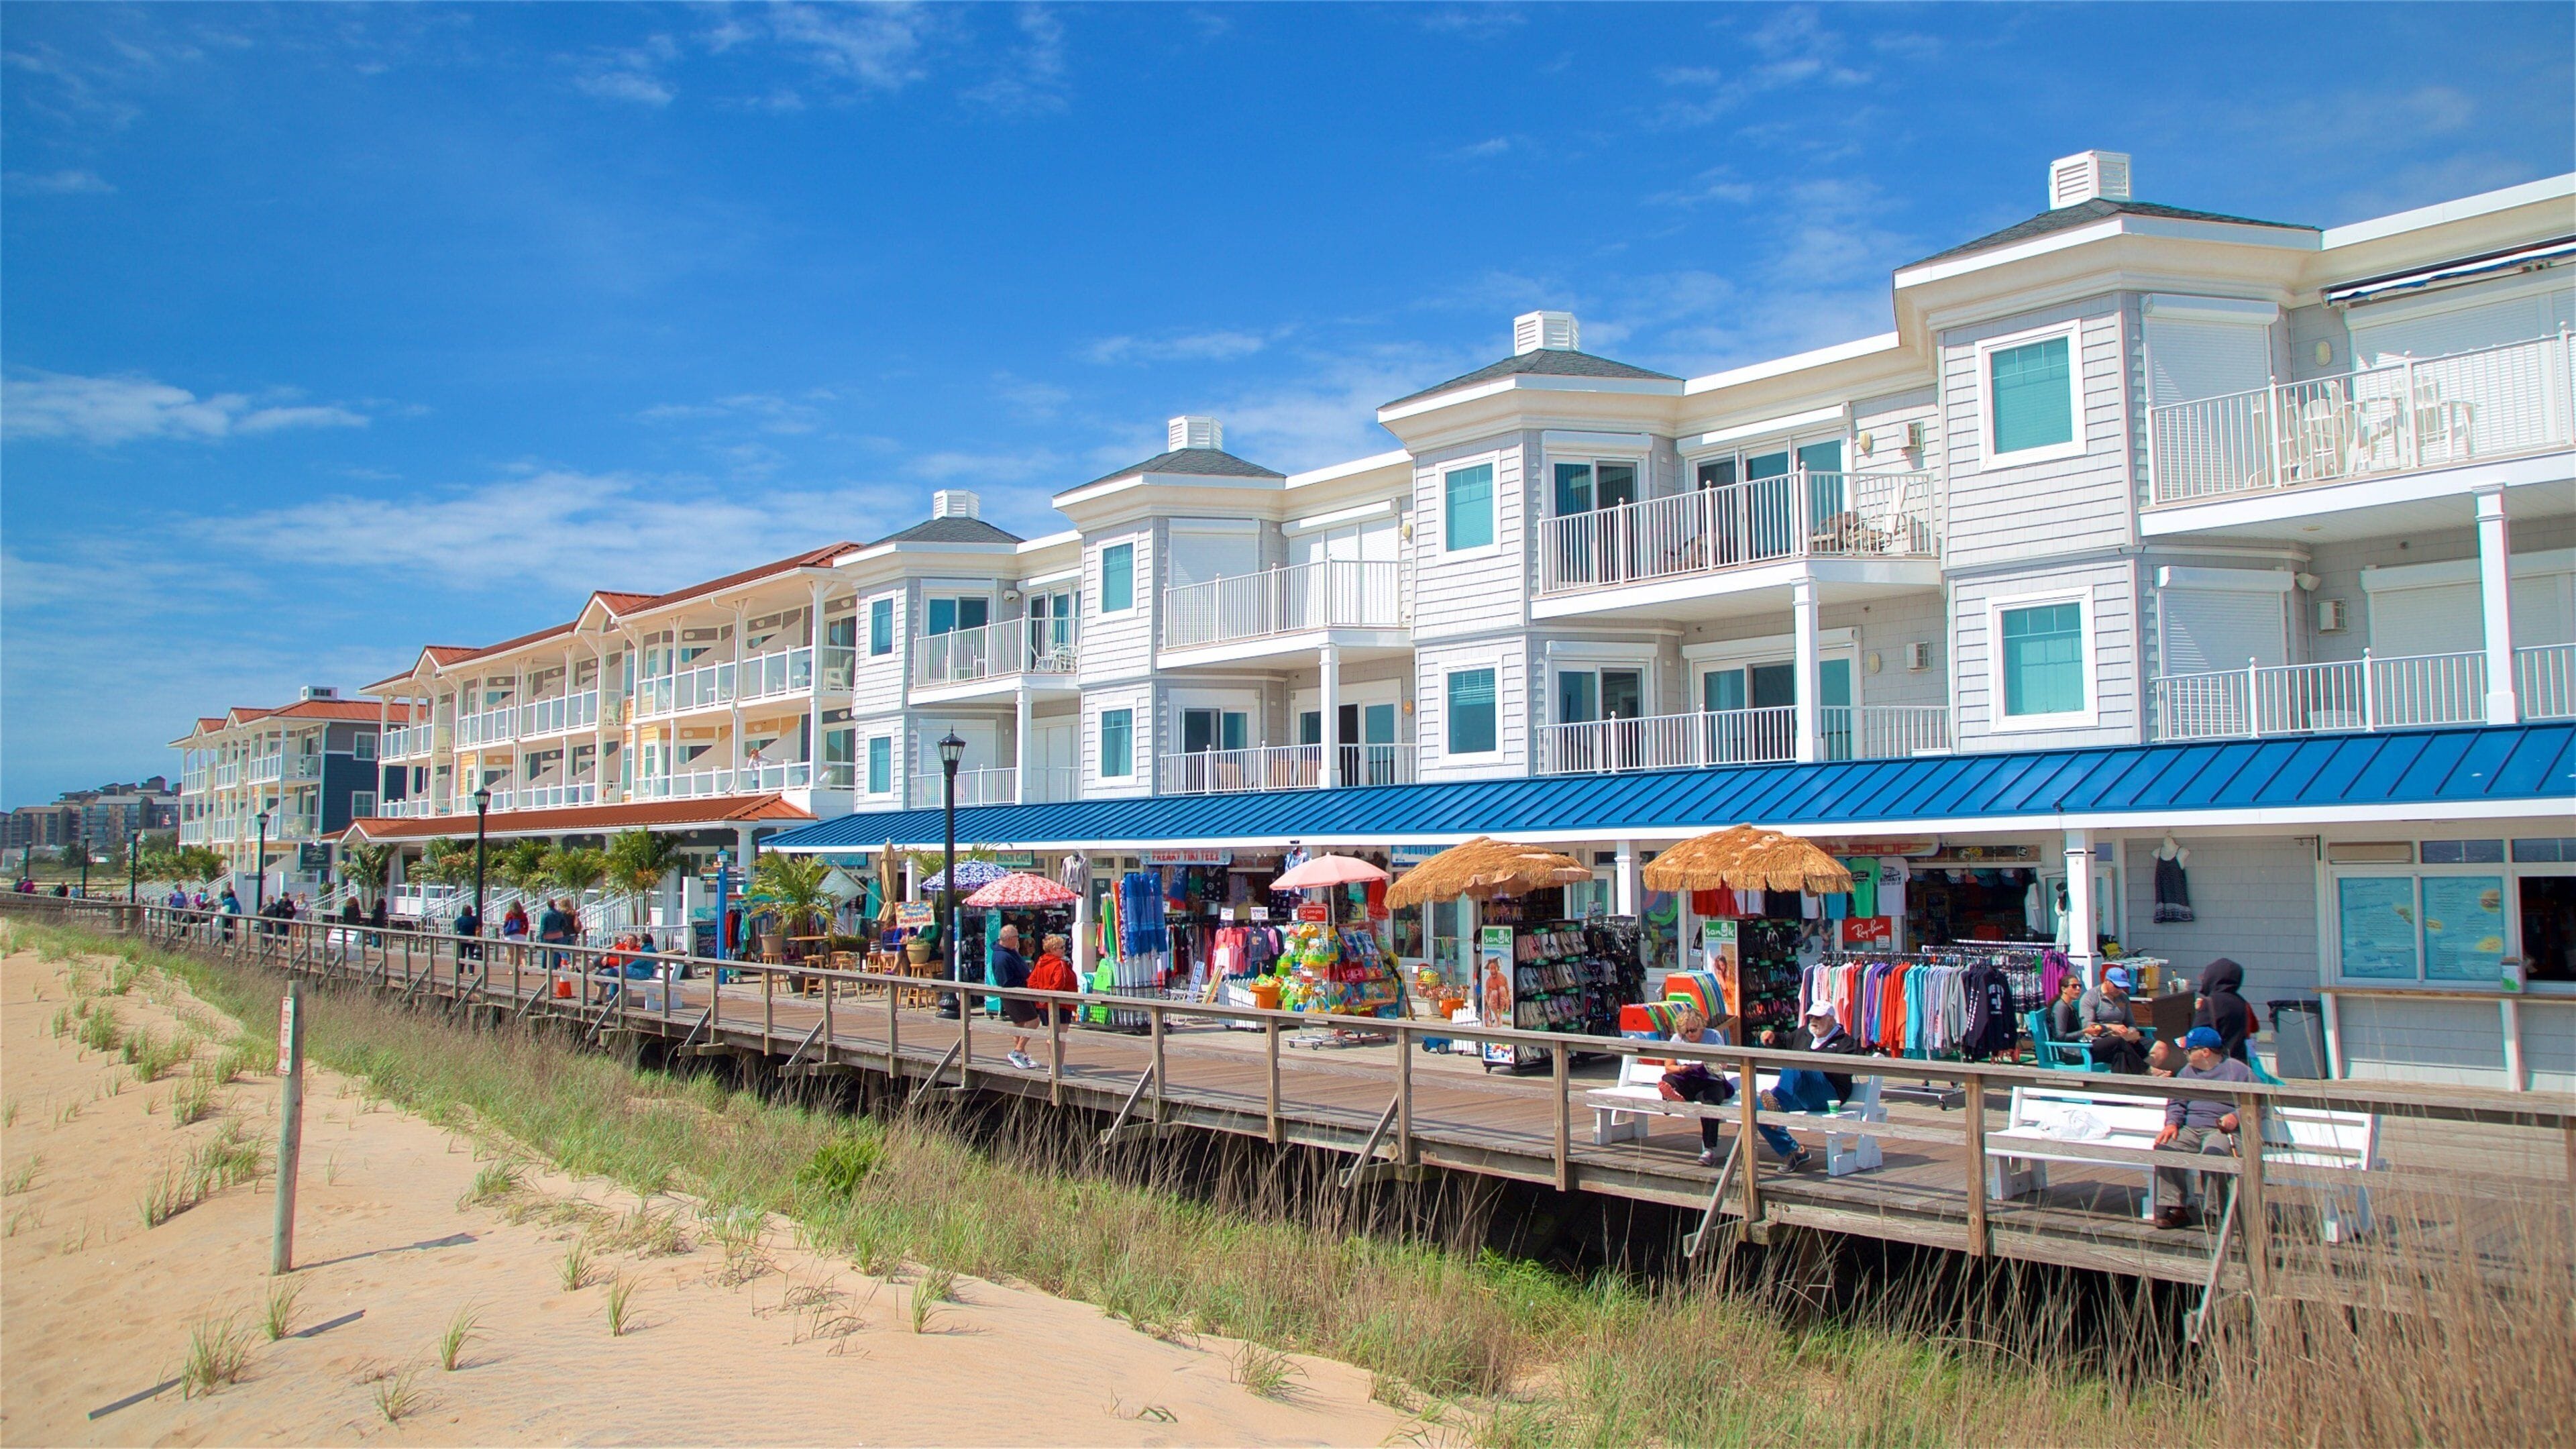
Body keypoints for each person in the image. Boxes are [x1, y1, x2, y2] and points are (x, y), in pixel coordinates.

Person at [2153, 1026, 2255, 1228]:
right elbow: (2176, 1102)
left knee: (2214, 1153)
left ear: (2205, 1052)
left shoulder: (2238, 1070)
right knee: (2165, 1148)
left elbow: (2257, 1103)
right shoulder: (2186, 1073)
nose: (2186, 1055)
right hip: (2191, 1129)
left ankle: (2215, 1213)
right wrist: (2172, 1123)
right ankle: (2175, 1208)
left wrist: (2236, 1116)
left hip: (2221, 1130)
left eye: (2189, 1050)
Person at [1654, 1006, 1741, 1169]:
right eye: (1686, 1032)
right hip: (1688, 1078)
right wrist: (1684, 1068)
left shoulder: (1713, 1036)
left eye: (1693, 1030)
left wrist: (1709, 1062)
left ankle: (1709, 1148)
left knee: (1710, 1102)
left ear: (1701, 1026)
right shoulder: (1676, 1039)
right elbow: (1669, 1067)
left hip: (1710, 1080)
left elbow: (1724, 1063)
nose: (1690, 1034)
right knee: (1668, 1079)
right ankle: (1672, 1097)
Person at [2078, 967, 2149, 1074]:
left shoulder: (2123, 997)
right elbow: (2087, 1026)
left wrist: (2132, 1032)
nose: (2120, 990)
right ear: (2107, 981)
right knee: (2119, 1044)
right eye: (2117, 986)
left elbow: (2131, 1022)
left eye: (2123, 987)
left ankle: (2142, 1077)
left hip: (2123, 1038)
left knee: (2160, 1048)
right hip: (2100, 1040)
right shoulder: (2090, 997)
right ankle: (2146, 1071)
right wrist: (2111, 1027)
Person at [990, 924, 1040, 1069]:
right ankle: (1017, 1051)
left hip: (1021, 991)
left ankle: (1022, 1054)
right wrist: (1024, 982)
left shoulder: (1011, 950)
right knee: (1034, 1021)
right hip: (1014, 993)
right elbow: (1005, 981)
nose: (1018, 940)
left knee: (1019, 1023)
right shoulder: (1002, 957)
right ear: (1010, 939)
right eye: (1017, 937)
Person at [2192, 958, 2255, 1066]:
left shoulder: (2209, 1003)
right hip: (2241, 1063)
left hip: (2218, 1065)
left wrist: (2200, 1011)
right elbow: (2253, 1029)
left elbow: (2196, 1036)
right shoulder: (2242, 1003)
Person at [2046, 975, 2086, 1044]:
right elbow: (2061, 1037)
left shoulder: (2070, 1006)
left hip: (2076, 1044)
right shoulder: (2061, 1007)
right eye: (2074, 986)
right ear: (2064, 989)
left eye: (2080, 986)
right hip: (2070, 1049)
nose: (2078, 988)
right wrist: (2084, 1032)